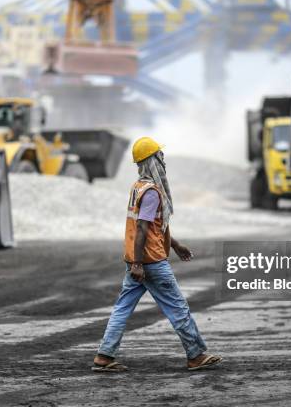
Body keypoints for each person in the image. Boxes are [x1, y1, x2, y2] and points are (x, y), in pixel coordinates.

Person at [92, 137, 222, 372]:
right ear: (153, 160)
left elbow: (152, 228)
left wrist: (174, 245)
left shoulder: (137, 187)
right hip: (150, 262)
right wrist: (141, 263)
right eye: (159, 156)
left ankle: (104, 356)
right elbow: (142, 227)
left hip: (136, 259)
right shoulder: (152, 192)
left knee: (122, 308)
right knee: (178, 307)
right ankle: (195, 355)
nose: (163, 160)